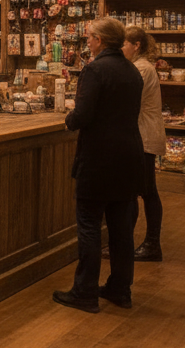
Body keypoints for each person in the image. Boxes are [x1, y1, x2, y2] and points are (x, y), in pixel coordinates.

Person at [53, 17, 145, 314]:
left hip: (98, 158)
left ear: (101, 40)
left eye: (90, 37)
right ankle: (120, 289)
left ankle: (85, 292)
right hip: (128, 155)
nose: (87, 41)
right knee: (121, 229)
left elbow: (83, 114)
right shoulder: (132, 70)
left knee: (90, 224)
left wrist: (68, 119)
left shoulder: (95, 69)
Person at [122, 25, 167, 261]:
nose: (121, 49)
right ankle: (129, 243)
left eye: (123, 44)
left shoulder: (141, 68)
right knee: (138, 191)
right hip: (142, 134)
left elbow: (128, 101)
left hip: (144, 136)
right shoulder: (139, 66)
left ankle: (151, 244)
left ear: (136, 45)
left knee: (146, 191)